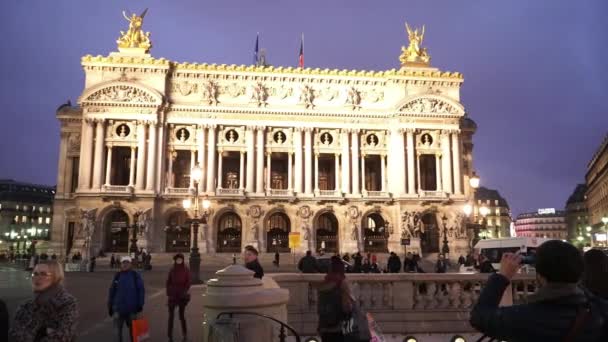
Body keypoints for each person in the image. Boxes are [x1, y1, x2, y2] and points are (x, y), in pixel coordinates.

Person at [470, 240, 608, 341]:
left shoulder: (523, 317)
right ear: (580, 273)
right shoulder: (599, 310)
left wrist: (502, 276)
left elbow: (479, 316)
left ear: (540, 277)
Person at [10, 260, 79, 341]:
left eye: (43, 274)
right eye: (35, 274)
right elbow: (13, 335)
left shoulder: (67, 303)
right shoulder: (27, 305)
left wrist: (32, 333)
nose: (37, 278)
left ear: (56, 277)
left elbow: (63, 336)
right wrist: (42, 332)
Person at [108, 256, 145, 342]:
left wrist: (140, 304)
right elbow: (112, 291)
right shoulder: (117, 276)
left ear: (130, 264)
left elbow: (141, 291)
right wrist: (110, 306)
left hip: (132, 309)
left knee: (134, 333)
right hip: (118, 309)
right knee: (117, 333)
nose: (125, 265)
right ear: (121, 264)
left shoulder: (135, 276)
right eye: (123, 263)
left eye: (127, 263)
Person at [317, 256, 353, 342]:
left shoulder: (323, 283)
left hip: (324, 327)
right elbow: (346, 307)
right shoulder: (342, 283)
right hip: (338, 327)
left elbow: (319, 307)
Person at [166, 253, 191, 342]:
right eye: (177, 259)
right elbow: (168, 282)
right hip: (172, 296)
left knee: (181, 316)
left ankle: (184, 334)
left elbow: (188, 282)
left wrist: (184, 291)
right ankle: (170, 336)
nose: (179, 260)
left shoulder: (186, 270)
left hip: (182, 296)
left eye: (180, 259)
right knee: (171, 316)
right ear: (175, 260)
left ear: (183, 260)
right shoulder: (172, 270)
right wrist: (169, 292)